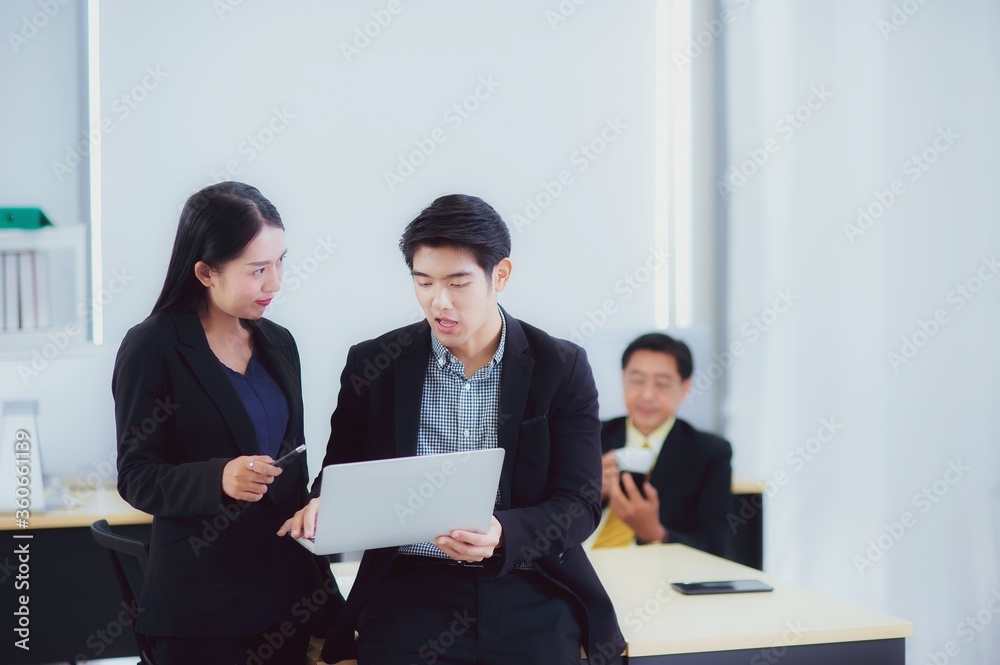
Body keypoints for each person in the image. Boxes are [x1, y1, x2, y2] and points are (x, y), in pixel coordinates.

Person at [279, 194, 624, 665]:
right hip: (410, 588)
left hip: (528, 581)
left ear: (499, 275)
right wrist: (323, 504)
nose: (438, 301)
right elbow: (342, 471)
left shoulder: (559, 366)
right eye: (423, 282)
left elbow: (580, 504)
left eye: (457, 283)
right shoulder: (375, 363)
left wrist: (502, 532)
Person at [113, 182, 342, 664]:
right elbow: (136, 476)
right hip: (203, 609)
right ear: (204, 272)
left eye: (281, 262)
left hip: (287, 597)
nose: (275, 283)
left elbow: (293, 462)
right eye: (257, 270)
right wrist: (219, 477)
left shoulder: (279, 343)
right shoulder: (152, 348)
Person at [590, 333, 732, 555]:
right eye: (636, 380)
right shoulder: (588, 436)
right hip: (579, 564)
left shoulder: (709, 453)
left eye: (662, 384)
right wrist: (587, 492)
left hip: (656, 575)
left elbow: (715, 548)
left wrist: (654, 533)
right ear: (623, 379)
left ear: (685, 388)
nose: (647, 395)